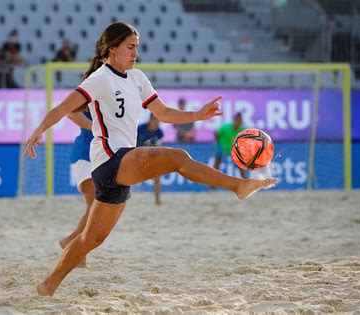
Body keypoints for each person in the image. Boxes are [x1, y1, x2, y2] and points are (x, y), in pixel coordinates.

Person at [25, 22, 276, 297]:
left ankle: (47, 285)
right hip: (110, 159)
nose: (135, 53)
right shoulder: (100, 78)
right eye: (130, 47)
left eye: (137, 47)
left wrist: (197, 115)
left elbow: (164, 112)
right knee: (178, 157)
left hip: (119, 167)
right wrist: (38, 131)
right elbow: (63, 107)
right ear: (112, 49)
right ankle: (238, 186)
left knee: (90, 239)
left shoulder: (137, 78)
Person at [59, 110, 94, 268]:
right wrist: (96, 127)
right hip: (84, 154)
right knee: (94, 207)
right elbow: (71, 113)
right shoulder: (91, 89)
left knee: (97, 208)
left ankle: (72, 242)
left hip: (98, 155)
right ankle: (76, 250)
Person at [137, 114, 164, 205]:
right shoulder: (140, 129)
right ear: (150, 120)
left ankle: (157, 201)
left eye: (158, 120)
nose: (157, 122)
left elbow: (158, 147)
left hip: (150, 157)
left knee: (157, 176)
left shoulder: (159, 132)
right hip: (136, 155)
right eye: (155, 120)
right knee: (147, 146)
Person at [213, 112, 248, 180]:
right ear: (234, 120)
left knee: (239, 164)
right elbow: (216, 132)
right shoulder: (226, 127)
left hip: (233, 149)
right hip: (222, 147)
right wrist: (218, 142)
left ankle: (245, 181)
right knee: (216, 165)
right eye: (238, 120)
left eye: (240, 121)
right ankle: (212, 186)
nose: (239, 122)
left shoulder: (242, 130)